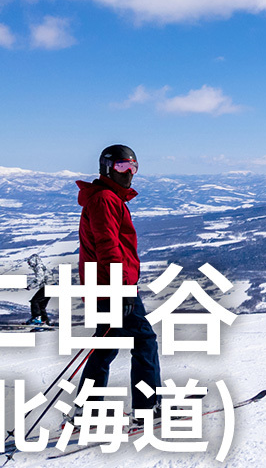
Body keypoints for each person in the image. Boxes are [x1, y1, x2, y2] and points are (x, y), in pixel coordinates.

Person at [75, 144, 161, 426]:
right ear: (107, 168)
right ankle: (147, 408)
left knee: (106, 346)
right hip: (113, 287)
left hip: (105, 286)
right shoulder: (105, 200)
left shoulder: (107, 198)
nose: (129, 173)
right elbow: (108, 246)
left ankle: (87, 410)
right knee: (144, 341)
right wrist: (122, 288)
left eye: (133, 167)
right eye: (122, 167)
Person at [26, 254, 53, 325]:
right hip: (53, 287)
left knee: (34, 301)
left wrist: (30, 286)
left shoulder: (39, 267)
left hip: (48, 286)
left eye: (29, 263)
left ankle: (37, 318)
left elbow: (39, 279)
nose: (29, 265)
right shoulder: (43, 267)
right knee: (41, 305)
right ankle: (45, 321)